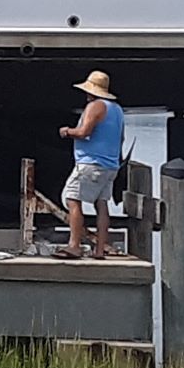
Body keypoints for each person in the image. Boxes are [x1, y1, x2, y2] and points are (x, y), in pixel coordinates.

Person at [56, 70, 125, 259]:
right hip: (110, 166)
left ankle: (74, 246)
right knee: (101, 204)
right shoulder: (117, 110)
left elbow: (84, 132)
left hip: (90, 163)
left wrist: (67, 131)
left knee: (71, 197)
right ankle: (100, 250)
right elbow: (121, 138)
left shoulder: (95, 106)